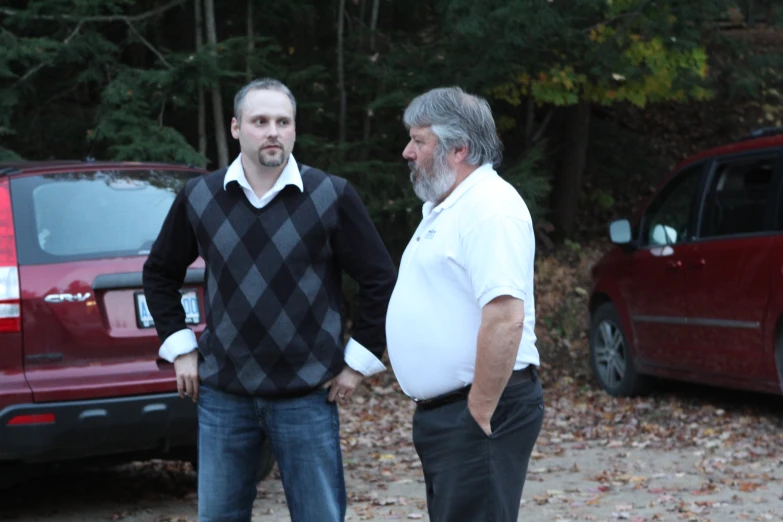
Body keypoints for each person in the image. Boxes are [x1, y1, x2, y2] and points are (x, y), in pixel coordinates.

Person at [142, 78, 397, 522]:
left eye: (283, 121)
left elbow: (380, 278)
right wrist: (180, 346)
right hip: (223, 395)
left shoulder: (331, 195)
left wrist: (358, 361)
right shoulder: (201, 197)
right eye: (261, 121)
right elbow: (160, 274)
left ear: (295, 129)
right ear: (237, 128)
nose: (273, 131)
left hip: (308, 395)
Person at [385, 86, 544, 522]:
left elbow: (506, 318)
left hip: (479, 409)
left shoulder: (490, 208)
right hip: (450, 414)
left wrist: (478, 411)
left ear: (459, 148)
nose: (407, 152)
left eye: (419, 141)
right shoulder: (447, 207)